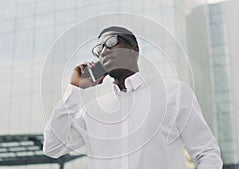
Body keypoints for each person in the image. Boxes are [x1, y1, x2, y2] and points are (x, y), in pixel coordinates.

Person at [43, 26, 223, 169]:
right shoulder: (92, 111)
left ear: (134, 49)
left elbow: (206, 152)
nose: (104, 51)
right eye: (99, 49)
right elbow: (52, 147)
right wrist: (75, 89)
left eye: (112, 42)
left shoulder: (174, 93)